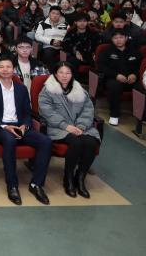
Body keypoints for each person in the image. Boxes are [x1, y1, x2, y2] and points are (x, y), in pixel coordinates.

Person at [0, 57, 52, 205]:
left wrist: (25, 125)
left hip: (20, 126)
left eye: (8, 67)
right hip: (0, 127)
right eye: (2, 67)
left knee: (45, 141)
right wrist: (5, 126)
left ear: (14, 70)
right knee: (9, 140)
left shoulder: (21, 89)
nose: (5, 69)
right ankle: (12, 185)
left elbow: (27, 112)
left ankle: (36, 184)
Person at [38, 62, 100, 198]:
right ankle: (68, 178)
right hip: (58, 128)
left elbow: (88, 110)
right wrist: (66, 126)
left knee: (91, 142)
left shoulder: (80, 90)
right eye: (61, 72)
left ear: (72, 75)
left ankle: (80, 177)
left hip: (80, 127)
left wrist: (81, 126)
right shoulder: (47, 91)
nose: (64, 76)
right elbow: (47, 112)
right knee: (76, 142)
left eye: (68, 73)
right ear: (55, 74)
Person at [97, 29, 142, 126]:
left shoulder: (134, 51)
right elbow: (101, 67)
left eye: (121, 37)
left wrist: (135, 74)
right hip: (113, 79)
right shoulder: (106, 51)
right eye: (115, 38)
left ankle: (142, 117)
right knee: (114, 86)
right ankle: (114, 115)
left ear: (126, 38)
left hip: (131, 80)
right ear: (112, 39)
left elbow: (140, 66)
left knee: (141, 87)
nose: (118, 40)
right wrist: (116, 75)